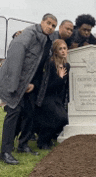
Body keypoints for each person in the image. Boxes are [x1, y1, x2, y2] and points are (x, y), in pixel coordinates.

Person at [0, 13, 57, 165]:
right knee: (14, 112)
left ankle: (23, 145)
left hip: (31, 85)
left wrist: (34, 85)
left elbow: (39, 67)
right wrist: (17, 84)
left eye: (53, 26)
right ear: (42, 22)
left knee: (31, 112)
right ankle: (5, 152)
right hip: (17, 82)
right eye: (49, 23)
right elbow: (15, 59)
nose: (50, 27)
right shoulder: (29, 34)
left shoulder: (48, 41)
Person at [35, 39, 70, 149]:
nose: (63, 51)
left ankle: (47, 138)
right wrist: (59, 78)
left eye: (65, 48)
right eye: (60, 49)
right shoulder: (50, 64)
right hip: (47, 97)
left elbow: (64, 86)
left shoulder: (66, 65)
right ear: (55, 51)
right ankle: (42, 142)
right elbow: (47, 86)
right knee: (57, 118)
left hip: (57, 98)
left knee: (64, 119)